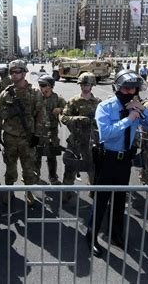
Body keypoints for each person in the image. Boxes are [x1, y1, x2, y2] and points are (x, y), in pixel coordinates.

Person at [86, 70, 148, 256]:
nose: (130, 93)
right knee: (101, 200)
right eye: (126, 89)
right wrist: (129, 119)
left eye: (134, 89)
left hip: (125, 159)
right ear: (118, 88)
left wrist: (142, 110)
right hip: (108, 158)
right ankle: (91, 236)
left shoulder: (137, 106)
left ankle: (117, 234)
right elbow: (107, 134)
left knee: (120, 200)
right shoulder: (105, 106)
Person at [0, 59, 45, 206]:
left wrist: (37, 135)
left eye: (17, 72)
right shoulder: (5, 93)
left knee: (28, 170)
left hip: (27, 139)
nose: (14, 75)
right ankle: (9, 191)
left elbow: (41, 115)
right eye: (12, 72)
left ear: (24, 72)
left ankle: (29, 192)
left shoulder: (35, 92)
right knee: (10, 169)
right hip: (10, 138)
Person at [60, 72, 101, 202]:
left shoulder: (98, 102)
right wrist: (78, 119)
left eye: (87, 84)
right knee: (70, 166)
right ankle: (67, 191)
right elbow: (64, 117)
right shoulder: (73, 101)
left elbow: (104, 121)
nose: (84, 87)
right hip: (75, 140)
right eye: (82, 84)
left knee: (93, 167)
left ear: (92, 85)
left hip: (92, 140)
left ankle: (94, 190)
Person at [35, 75, 66, 185]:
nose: (41, 88)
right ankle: (36, 177)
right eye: (40, 85)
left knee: (51, 156)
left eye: (43, 85)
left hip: (52, 133)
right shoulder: (36, 97)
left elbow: (68, 109)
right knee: (36, 155)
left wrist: (60, 109)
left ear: (51, 87)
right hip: (37, 133)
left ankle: (53, 177)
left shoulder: (58, 98)